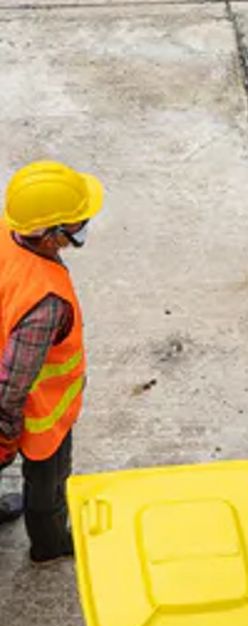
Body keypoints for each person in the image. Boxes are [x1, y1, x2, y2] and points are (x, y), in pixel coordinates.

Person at [0, 161, 103, 565]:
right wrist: (6, 431)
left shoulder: (8, 234)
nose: (82, 228)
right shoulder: (45, 304)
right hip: (40, 415)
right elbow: (14, 384)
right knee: (48, 484)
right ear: (48, 237)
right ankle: (50, 542)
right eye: (75, 224)